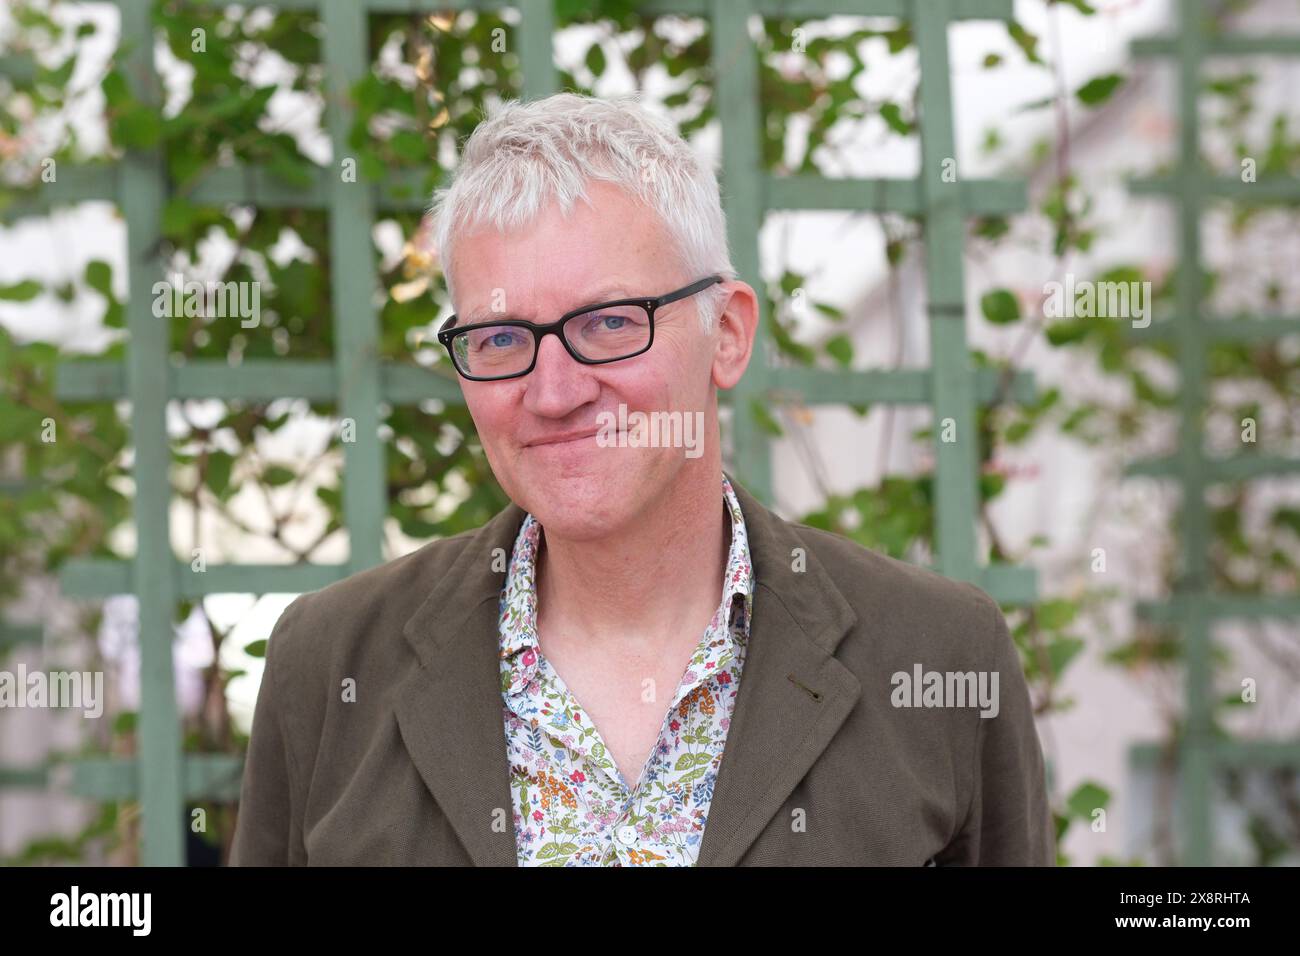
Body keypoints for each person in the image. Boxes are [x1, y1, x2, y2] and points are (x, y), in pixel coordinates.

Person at [230, 92, 1054, 867]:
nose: (554, 392)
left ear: (727, 334)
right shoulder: (329, 664)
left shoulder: (939, 656)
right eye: (501, 339)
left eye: (611, 323)